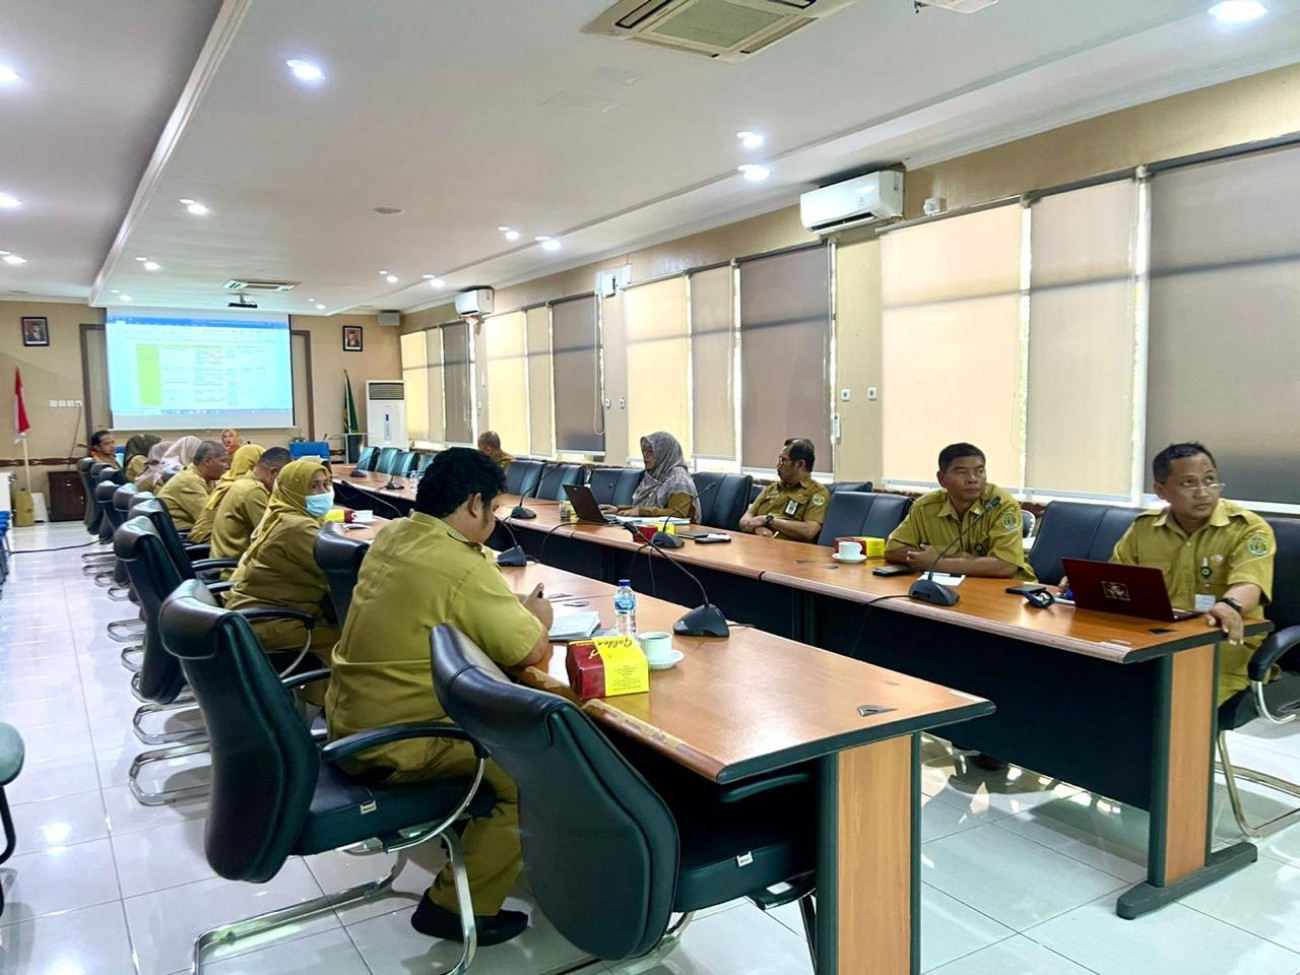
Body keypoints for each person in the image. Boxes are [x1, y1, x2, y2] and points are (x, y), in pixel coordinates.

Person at [326, 448, 552, 947]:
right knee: (531, 775)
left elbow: (448, 601)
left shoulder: (395, 535)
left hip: (350, 718)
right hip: (399, 741)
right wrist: (541, 617)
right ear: (474, 504)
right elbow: (531, 651)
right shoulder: (458, 564)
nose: (494, 520)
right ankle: (453, 908)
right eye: (493, 509)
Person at [1107, 443, 1275, 705]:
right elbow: (1116, 578)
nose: (1203, 492)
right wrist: (1084, 584)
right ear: (1161, 491)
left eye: (1210, 480)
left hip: (1222, 641)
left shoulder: (1248, 528)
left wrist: (1229, 604)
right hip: (1157, 638)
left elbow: (1249, 583)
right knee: (1100, 685)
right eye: (1188, 483)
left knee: (1172, 702)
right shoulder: (1145, 528)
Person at [224, 458, 340, 667]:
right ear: (293, 490)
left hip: (255, 614)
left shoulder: (284, 513)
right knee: (351, 643)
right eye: (313, 486)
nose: (324, 492)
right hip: (272, 622)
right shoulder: (297, 527)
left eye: (326, 484)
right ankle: (325, 699)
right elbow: (341, 570)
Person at [885, 442, 1035, 581]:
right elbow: (893, 549)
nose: (972, 479)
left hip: (1007, 589)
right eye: (962, 472)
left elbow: (1006, 566)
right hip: (954, 585)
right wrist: (955, 559)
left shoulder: (1003, 505)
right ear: (942, 479)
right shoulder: (925, 507)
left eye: (979, 471)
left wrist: (937, 563)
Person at [210, 446, 291, 566]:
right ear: (273, 472)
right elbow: (274, 537)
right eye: (285, 478)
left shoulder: (245, 483)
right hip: (231, 570)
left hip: (229, 562)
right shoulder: (253, 491)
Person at [739, 438, 829, 542]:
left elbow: (809, 531)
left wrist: (768, 520)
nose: (778, 466)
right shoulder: (772, 488)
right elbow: (744, 520)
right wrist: (758, 528)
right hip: (755, 544)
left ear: (800, 464)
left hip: (788, 551)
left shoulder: (817, 493)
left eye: (783, 460)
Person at [600, 431, 701, 521]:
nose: (645, 455)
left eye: (651, 452)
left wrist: (642, 512)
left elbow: (678, 514)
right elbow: (645, 507)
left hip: (678, 535)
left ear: (664, 453)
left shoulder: (679, 478)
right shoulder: (653, 476)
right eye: (644, 450)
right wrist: (618, 509)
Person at [187, 444, 264, 544]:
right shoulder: (245, 488)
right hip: (207, 542)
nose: (227, 466)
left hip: (206, 540)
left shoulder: (227, 481)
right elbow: (263, 527)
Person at [156, 440, 229, 531]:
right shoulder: (188, 480)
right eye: (223, 461)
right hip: (182, 536)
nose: (227, 466)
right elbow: (210, 519)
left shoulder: (207, 479)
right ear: (207, 461)